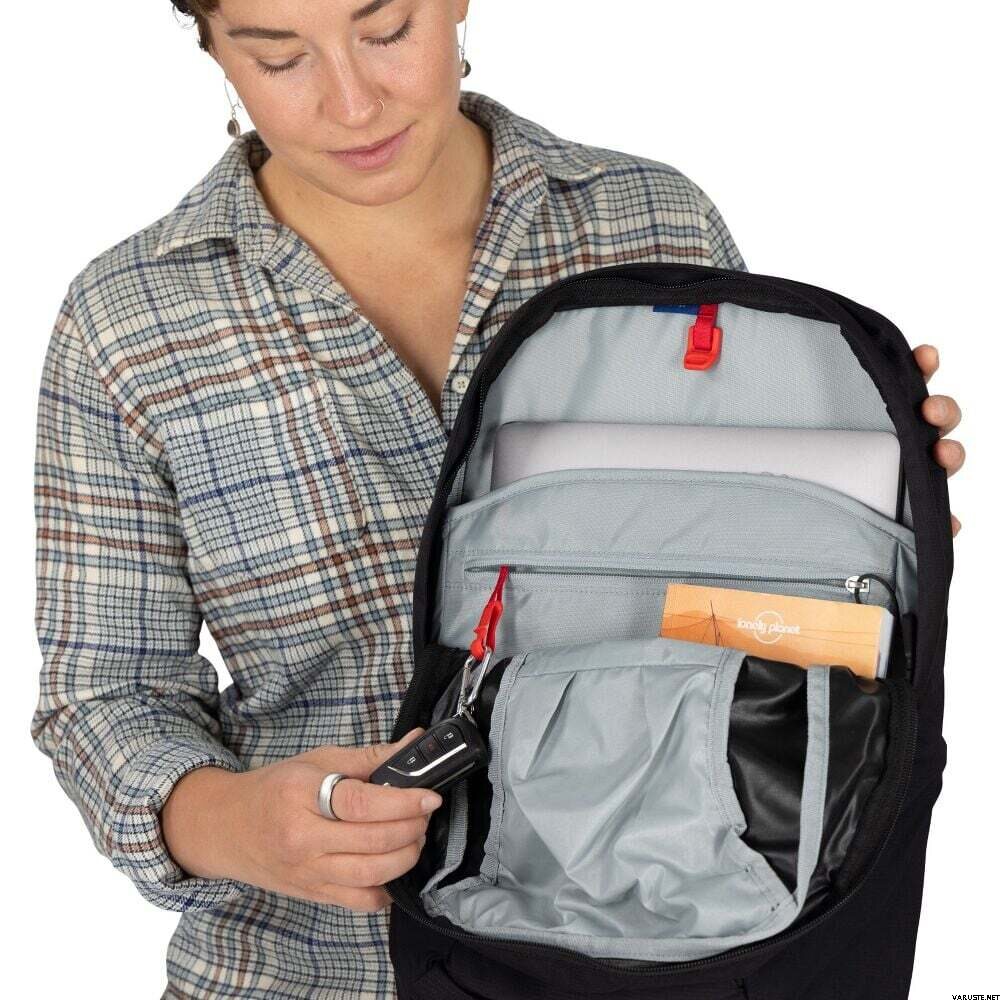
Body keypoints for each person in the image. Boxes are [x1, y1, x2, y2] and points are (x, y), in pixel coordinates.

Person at [31, 1, 965, 997]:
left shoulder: (647, 219)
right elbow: (105, 697)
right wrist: (239, 823)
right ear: (213, 44)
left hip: (667, 947)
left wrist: (865, 525)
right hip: (298, 969)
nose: (352, 102)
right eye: (279, 57)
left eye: (387, 29)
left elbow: (751, 610)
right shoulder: (128, 321)